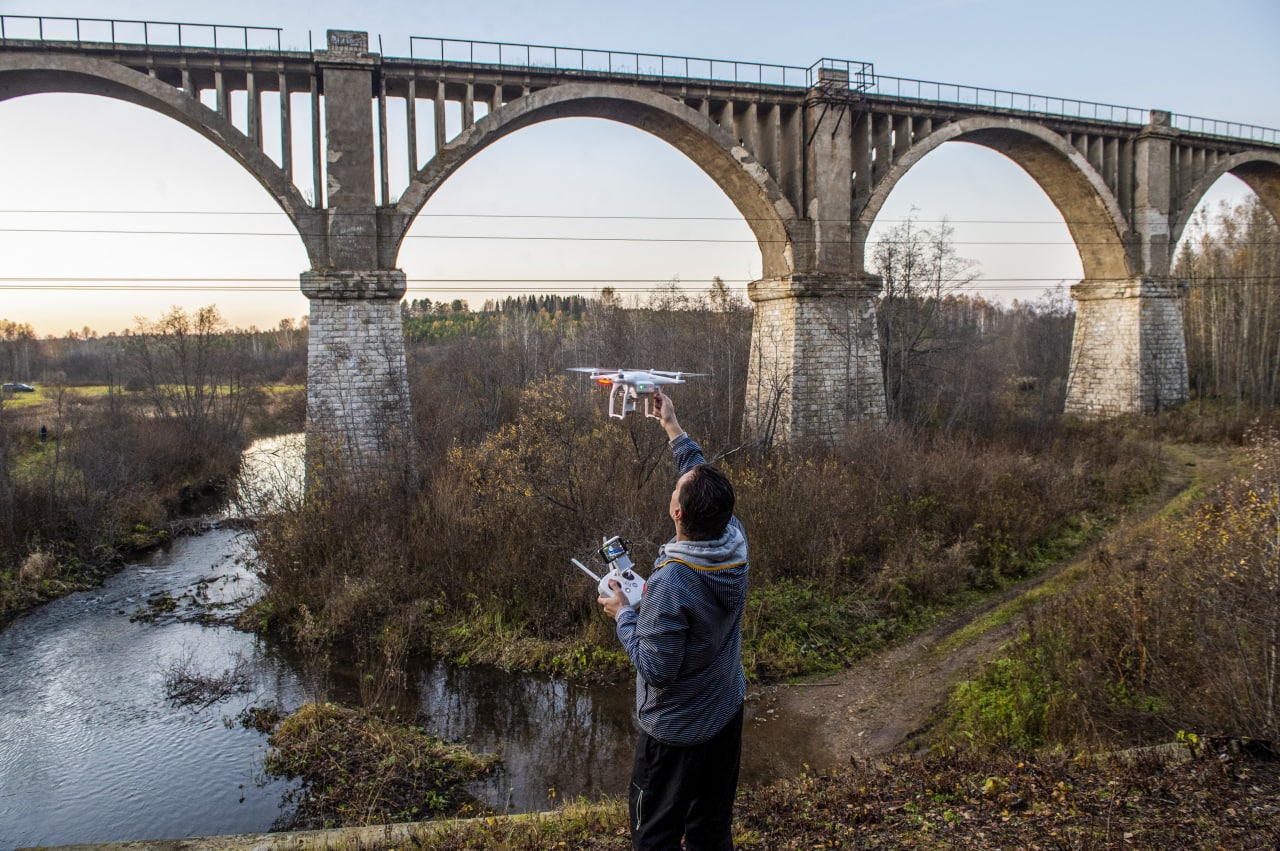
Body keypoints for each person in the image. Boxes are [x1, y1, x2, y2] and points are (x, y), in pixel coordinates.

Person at [598, 388, 749, 851]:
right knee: (710, 829)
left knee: (654, 836)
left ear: (677, 512)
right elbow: (699, 476)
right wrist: (672, 426)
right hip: (724, 711)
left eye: (676, 490)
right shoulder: (733, 540)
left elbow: (657, 668)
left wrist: (624, 615)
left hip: (676, 734)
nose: (676, 486)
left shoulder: (672, 582)